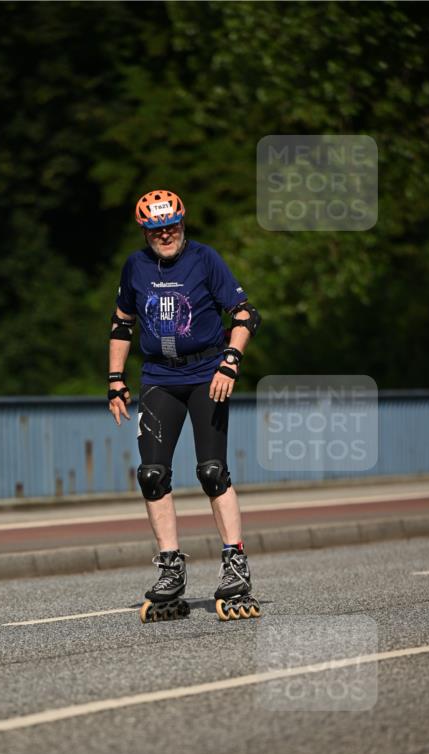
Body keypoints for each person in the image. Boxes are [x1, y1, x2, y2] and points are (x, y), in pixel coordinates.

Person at [107, 189, 261, 621]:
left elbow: (246, 314)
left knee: (211, 471)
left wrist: (230, 363)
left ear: (183, 223)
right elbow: (122, 324)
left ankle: (235, 562)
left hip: (206, 376)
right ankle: (171, 567)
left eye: (172, 225)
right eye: (157, 229)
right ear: (146, 232)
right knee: (152, 475)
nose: (166, 234)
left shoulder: (205, 259)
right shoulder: (135, 266)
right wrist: (115, 380)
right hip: (159, 377)